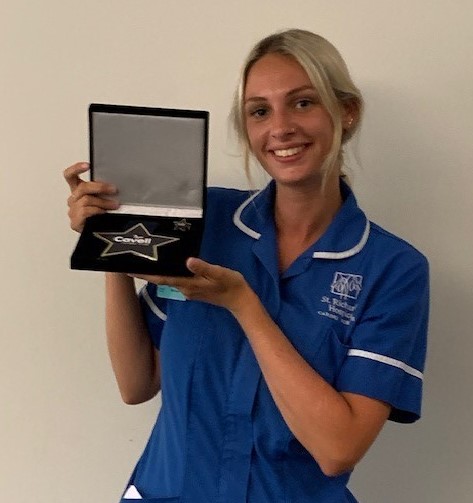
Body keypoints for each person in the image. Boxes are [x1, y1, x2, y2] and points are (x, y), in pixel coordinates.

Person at [64, 29, 429, 503]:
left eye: (302, 103)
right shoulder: (205, 220)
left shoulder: (392, 269)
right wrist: (111, 242)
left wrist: (244, 307)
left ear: (347, 111)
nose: (280, 128)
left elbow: (338, 449)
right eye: (260, 111)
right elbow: (137, 384)